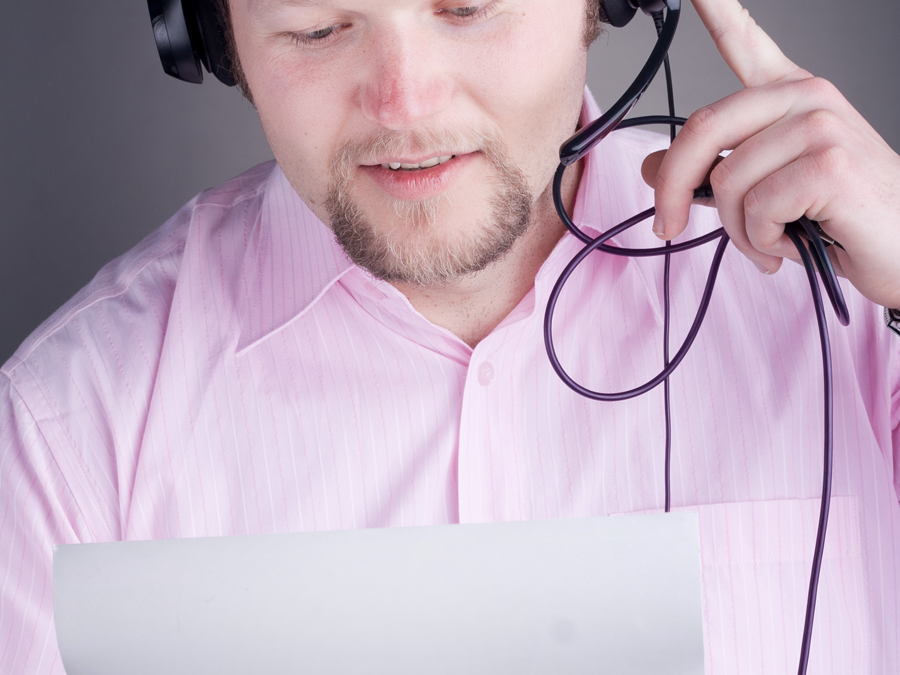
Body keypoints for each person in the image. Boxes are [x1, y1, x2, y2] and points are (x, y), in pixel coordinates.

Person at [1, 0, 899, 672]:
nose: (405, 102)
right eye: (317, 27)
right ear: (207, 33)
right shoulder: (61, 439)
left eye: (468, 5)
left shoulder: (863, 314)